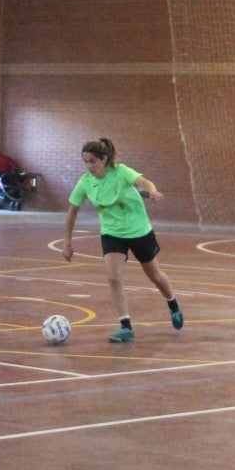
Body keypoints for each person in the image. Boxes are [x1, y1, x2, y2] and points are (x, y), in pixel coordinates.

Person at [61, 137, 184, 342]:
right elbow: (72, 212)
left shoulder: (121, 172)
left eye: (93, 161)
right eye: (86, 162)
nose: (89, 166)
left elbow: (144, 182)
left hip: (138, 230)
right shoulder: (85, 183)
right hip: (112, 233)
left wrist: (152, 191)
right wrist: (67, 243)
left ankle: (172, 302)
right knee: (113, 277)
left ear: (104, 159)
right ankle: (125, 326)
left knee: (154, 275)